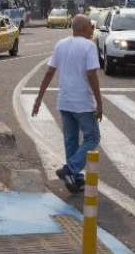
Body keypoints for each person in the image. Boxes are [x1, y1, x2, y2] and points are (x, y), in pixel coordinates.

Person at [32, 14, 103, 193]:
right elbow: (92, 75)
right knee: (92, 137)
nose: (92, 30)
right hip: (83, 103)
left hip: (64, 102)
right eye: (91, 27)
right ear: (82, 28)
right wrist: (99, 103)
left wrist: (39, 99)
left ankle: (74, 179)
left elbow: (49, 72)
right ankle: (70, 169)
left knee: (71, 141)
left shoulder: (60, 44)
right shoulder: (89, 46)